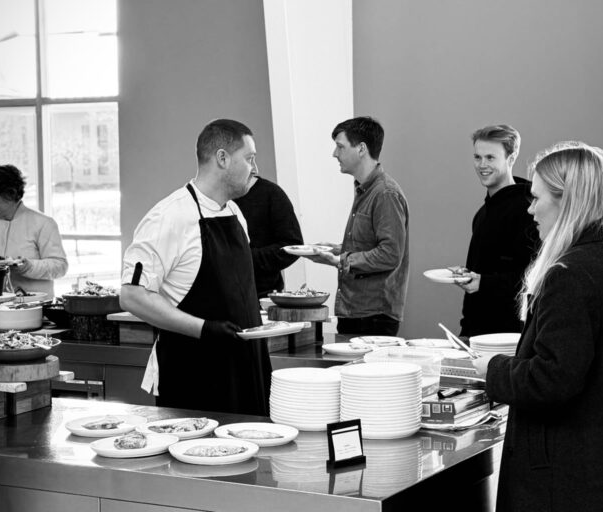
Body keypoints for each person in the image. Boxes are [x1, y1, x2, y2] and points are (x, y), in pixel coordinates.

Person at [473, 142, 603, 511]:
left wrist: (492, 369)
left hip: (568, 475)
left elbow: (552, 379)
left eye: (536, 198)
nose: (530, 210)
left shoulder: (570, 274)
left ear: (568, 202)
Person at [120, 118, 270, 415]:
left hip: (245, 367)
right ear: (222, 158)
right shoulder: (168, 217)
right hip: (194, 375)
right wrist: (204, 329)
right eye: (249, 158)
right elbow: (132, 296)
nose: (255, 169)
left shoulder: (235, 213)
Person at [304, 116, 409, 336]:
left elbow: (390, 254)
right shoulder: (366, 190)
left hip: (373, 316)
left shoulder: (385, 193)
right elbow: (368, 245)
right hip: (355, 312)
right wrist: (335, 250)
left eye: (340, 147)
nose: (335, 154)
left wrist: (341, 260)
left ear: (361, 149)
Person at [455, 125, 539, 338]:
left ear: (511, 158)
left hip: (509, 336)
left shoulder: (529, 211)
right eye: (477, 157)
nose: (482, 165)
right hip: (475, 332)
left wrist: (483, 282)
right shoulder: (483, 213)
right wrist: (469, 276)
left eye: (490, 157)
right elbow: (489, 270)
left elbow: (533, 278)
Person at [0, 164, 68, 300]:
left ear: (11, 193)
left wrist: (29, 267)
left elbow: (60, 266)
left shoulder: (44, 223)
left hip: (34, 305)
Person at [234, 171, 303, 298]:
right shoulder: (210, 197)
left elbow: (293, 246)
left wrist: (244, 259)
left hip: (263, 295)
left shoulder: (271, 193)